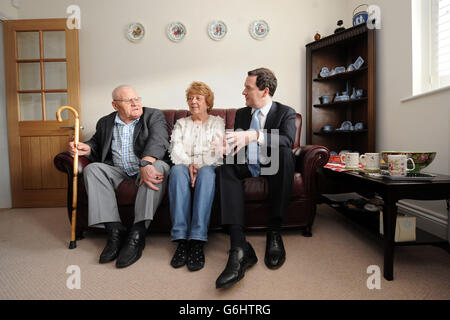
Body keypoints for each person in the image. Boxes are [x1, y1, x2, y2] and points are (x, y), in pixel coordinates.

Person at [68, 85, 170, 269]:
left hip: (146, 165)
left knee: (158, 168)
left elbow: (159, 140)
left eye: (137, 98)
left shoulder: (153, 116)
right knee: (93, 169)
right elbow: (98, 144)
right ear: (115, 105)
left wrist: (145, 163)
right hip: (118, 170)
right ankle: (114, 233)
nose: (135, 103)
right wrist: (87, 148)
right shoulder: (105, 122)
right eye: (129, 100)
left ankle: (137, 235)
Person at [213, 68, 297, 289]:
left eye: (248, 88)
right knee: (225, 168)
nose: (243, 92)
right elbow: (238, 150)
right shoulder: (242, 114)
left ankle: (274, 231)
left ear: (265, 91)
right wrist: (225, 148)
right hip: (247, 165)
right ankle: (239, 246)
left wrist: (255, 135)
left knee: (285, 154)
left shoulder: (285, 112)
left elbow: (288, 140)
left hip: (273, 166)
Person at [168, 81, 225, 271]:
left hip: (208, 165)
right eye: (190, 98)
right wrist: (189, 165)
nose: (193, 101)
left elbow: (217, 152)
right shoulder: (181, 123)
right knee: (176, 171)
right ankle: (181, 239)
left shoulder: (217, 122)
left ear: (207, 102)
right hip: (184, 165)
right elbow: (175, 150)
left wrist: (199, 166)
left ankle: (197, 241)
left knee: (208, 173)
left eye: (198, 98)